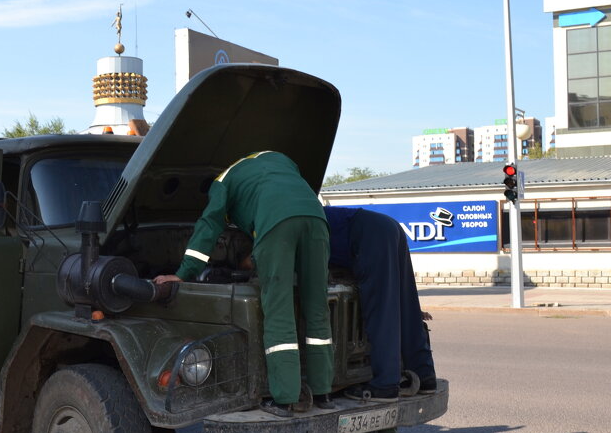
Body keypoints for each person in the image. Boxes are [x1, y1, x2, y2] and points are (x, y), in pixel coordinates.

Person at [155, 151, 333, 417]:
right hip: (316, 217)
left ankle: (284, 399)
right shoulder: (279, 159)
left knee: (278, 309)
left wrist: (184, 273)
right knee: (317, 306)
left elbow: (209, 225)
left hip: (277, 221)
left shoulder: (222, 182)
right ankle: (323, 392)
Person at [323, 206, 437, 402]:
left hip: (368, 234)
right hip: (387, 226)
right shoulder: (308, 210)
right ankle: (424, 376)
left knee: (382, 310)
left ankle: (385, 385)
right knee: (405, 302)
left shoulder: (288, 224)